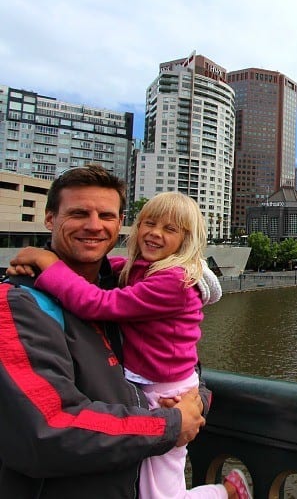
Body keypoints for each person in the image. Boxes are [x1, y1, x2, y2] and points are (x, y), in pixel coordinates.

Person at [9, 191, 251, 499]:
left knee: (157, 494)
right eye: (149, 223)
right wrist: (40, 267)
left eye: (169, 229)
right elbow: (105, 269)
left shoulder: (172, 282)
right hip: (148, 385)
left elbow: (98, 303)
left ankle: (228, 492)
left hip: (166, 392)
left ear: (186, 239)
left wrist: (48, 263)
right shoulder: (140, 267)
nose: (154, 233)